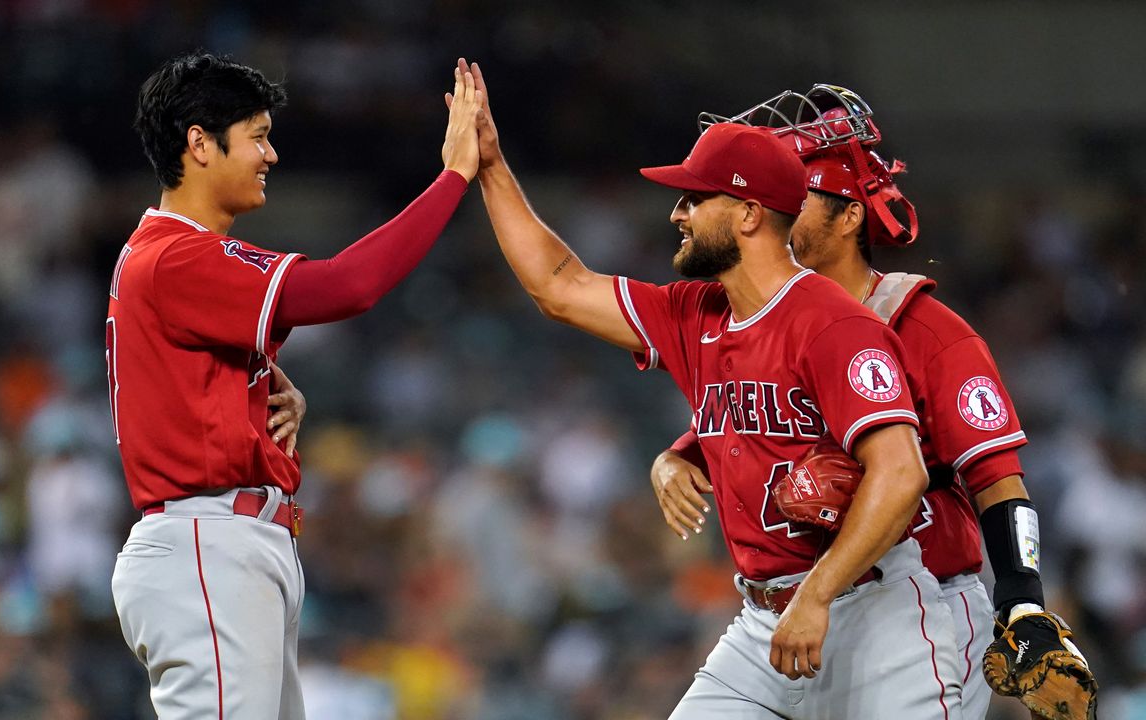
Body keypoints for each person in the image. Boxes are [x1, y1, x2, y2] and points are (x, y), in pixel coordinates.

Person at [462, 60, 961, 719]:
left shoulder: (833, 325)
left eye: (696, 198)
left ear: (750, 214)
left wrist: (815, 597)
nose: (677, 212)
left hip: (874, 614)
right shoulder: (695, 312)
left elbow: (900, 475)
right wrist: (492, 167)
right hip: (763, 623)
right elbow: (561, 286)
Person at [649, 85, 1094, 719]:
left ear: (850, 215)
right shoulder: (763, 322)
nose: (776, 205)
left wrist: (1022, 598)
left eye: (798, 197)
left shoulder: (929, 330)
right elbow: (753, 420)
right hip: (801, 610)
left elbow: (998, 480)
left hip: (920, 605)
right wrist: (678, 454)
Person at [106, 51, 483, 718]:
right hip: (207, 543)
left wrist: (258, 396)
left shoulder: (168, 254)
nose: (270, 154)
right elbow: (348, 285)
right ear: (199, 143)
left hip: (229, 543)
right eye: (256, 135)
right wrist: (454, 175)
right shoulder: (175, 255)